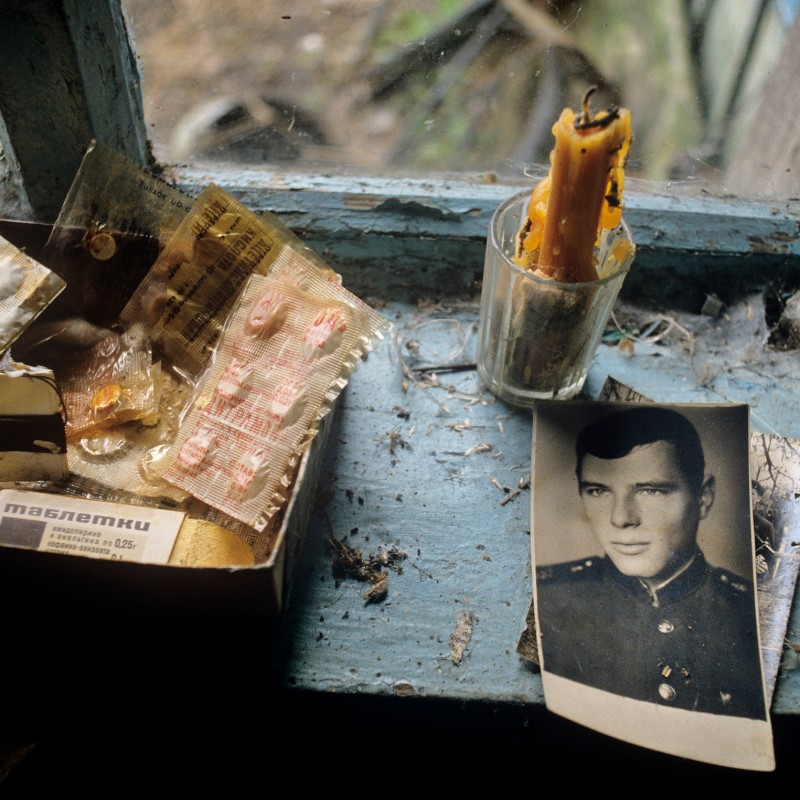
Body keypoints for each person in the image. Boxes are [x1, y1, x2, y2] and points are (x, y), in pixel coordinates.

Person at [535, 405, 767, 719]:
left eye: (651, 490)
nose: (621, 519)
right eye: (598, 491)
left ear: (704, 498)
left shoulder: (751, 613)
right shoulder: (549, 595)